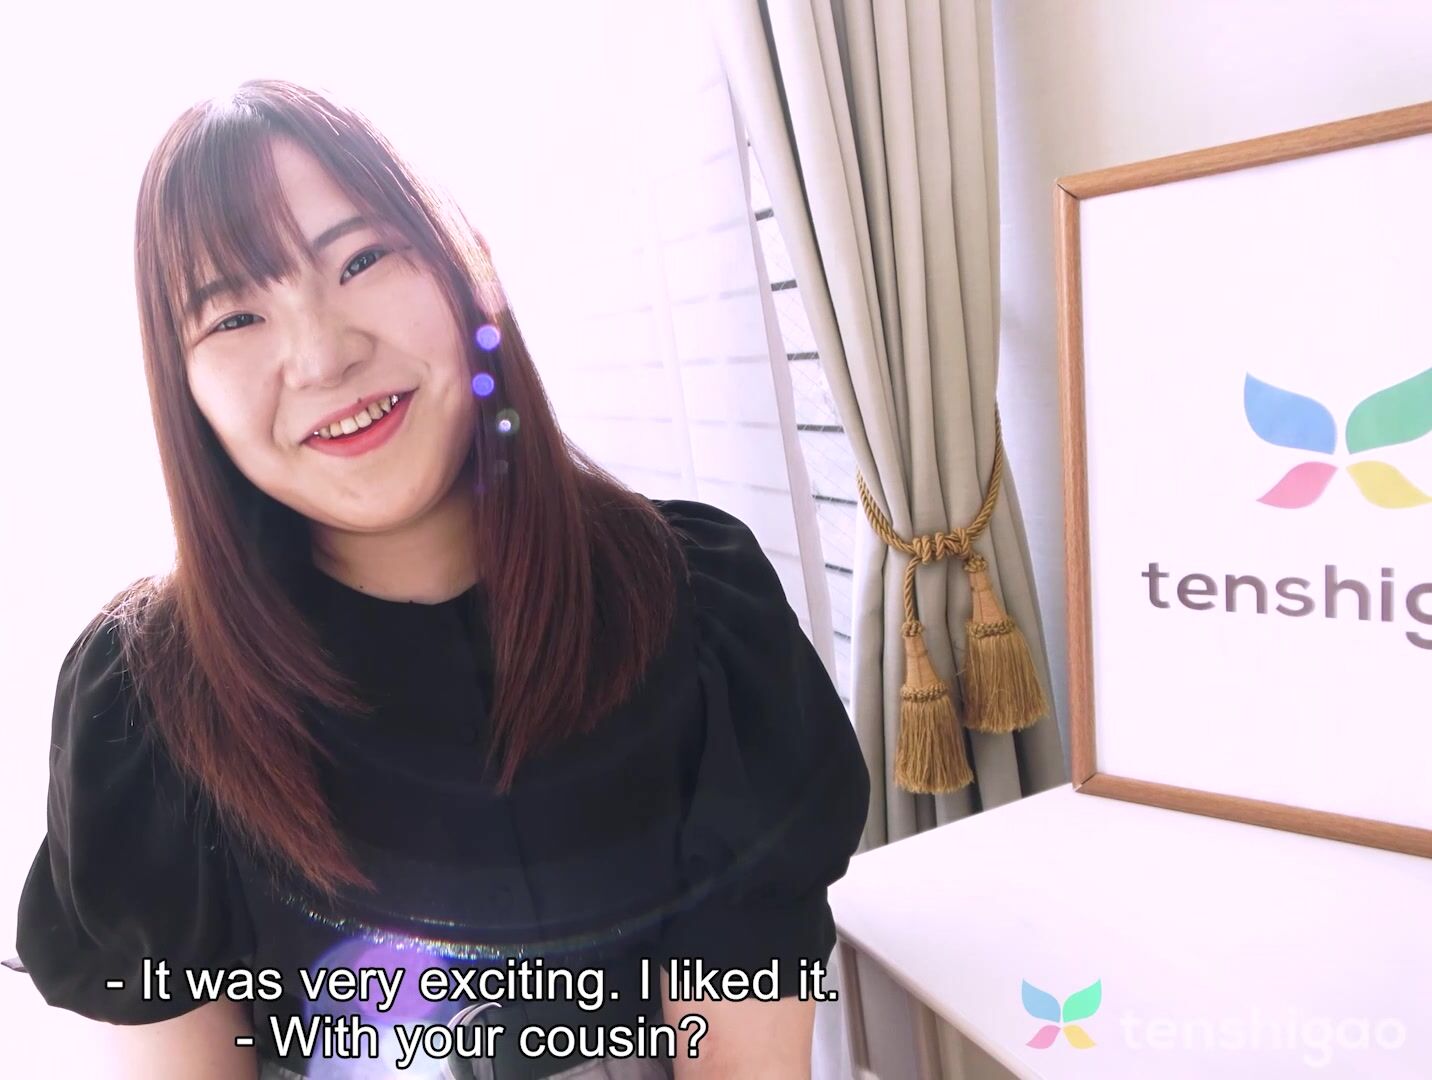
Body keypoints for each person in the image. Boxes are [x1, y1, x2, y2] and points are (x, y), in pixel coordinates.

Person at [10, 79, 870, 1079]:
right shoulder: (148, 705)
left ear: (462, 272)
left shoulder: (693, 607)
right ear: (184, 388)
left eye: (360, 260)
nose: (322, 357)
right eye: (234, 317)